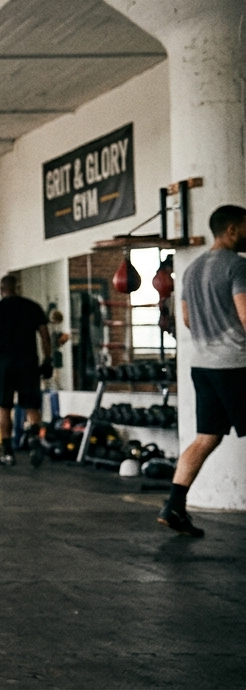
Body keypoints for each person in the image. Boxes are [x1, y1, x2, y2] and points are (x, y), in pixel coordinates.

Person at [160, 204, 246, 537]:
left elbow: (186, 319)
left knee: (206, 437)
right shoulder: (237, 267)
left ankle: (174, 506)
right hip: (236, 365)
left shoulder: (192, 269)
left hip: (203, 366)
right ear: (232, 230)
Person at [0, 274, 53, 466]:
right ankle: (35, 443)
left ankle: (8, 453)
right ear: (18, 288)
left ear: (1, 289)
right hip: (28, 364)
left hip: (4, 365)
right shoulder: (33, 307)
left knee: (4, 408)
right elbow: (45, 337)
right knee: (31, 407)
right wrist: (48, 360)